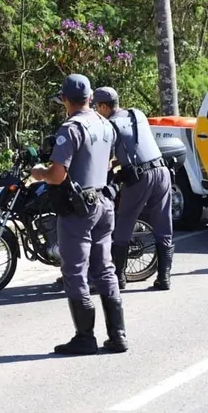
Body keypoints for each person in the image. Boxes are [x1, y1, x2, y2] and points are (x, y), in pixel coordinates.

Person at [31, 74, 128, 355]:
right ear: (90, 98)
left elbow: (57, 174)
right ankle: (118, 334)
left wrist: (39, 173)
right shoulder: (104, 124)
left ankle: (85, 337)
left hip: (78, 209)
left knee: (75, 271)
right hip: (103, 203)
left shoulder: (71, 129)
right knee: (105, 269)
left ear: (64, 99)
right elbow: (111, 161)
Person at [92, 86, 175, 290]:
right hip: (162, 170)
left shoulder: (109, 125)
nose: (95, 111)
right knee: (164, 225)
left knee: (124, 223)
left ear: (104, 106)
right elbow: (135, 145)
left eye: (96, 107)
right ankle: (164, 278)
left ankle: (119, 278)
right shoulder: (137, 113)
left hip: (141, 177)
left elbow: (107, 158)